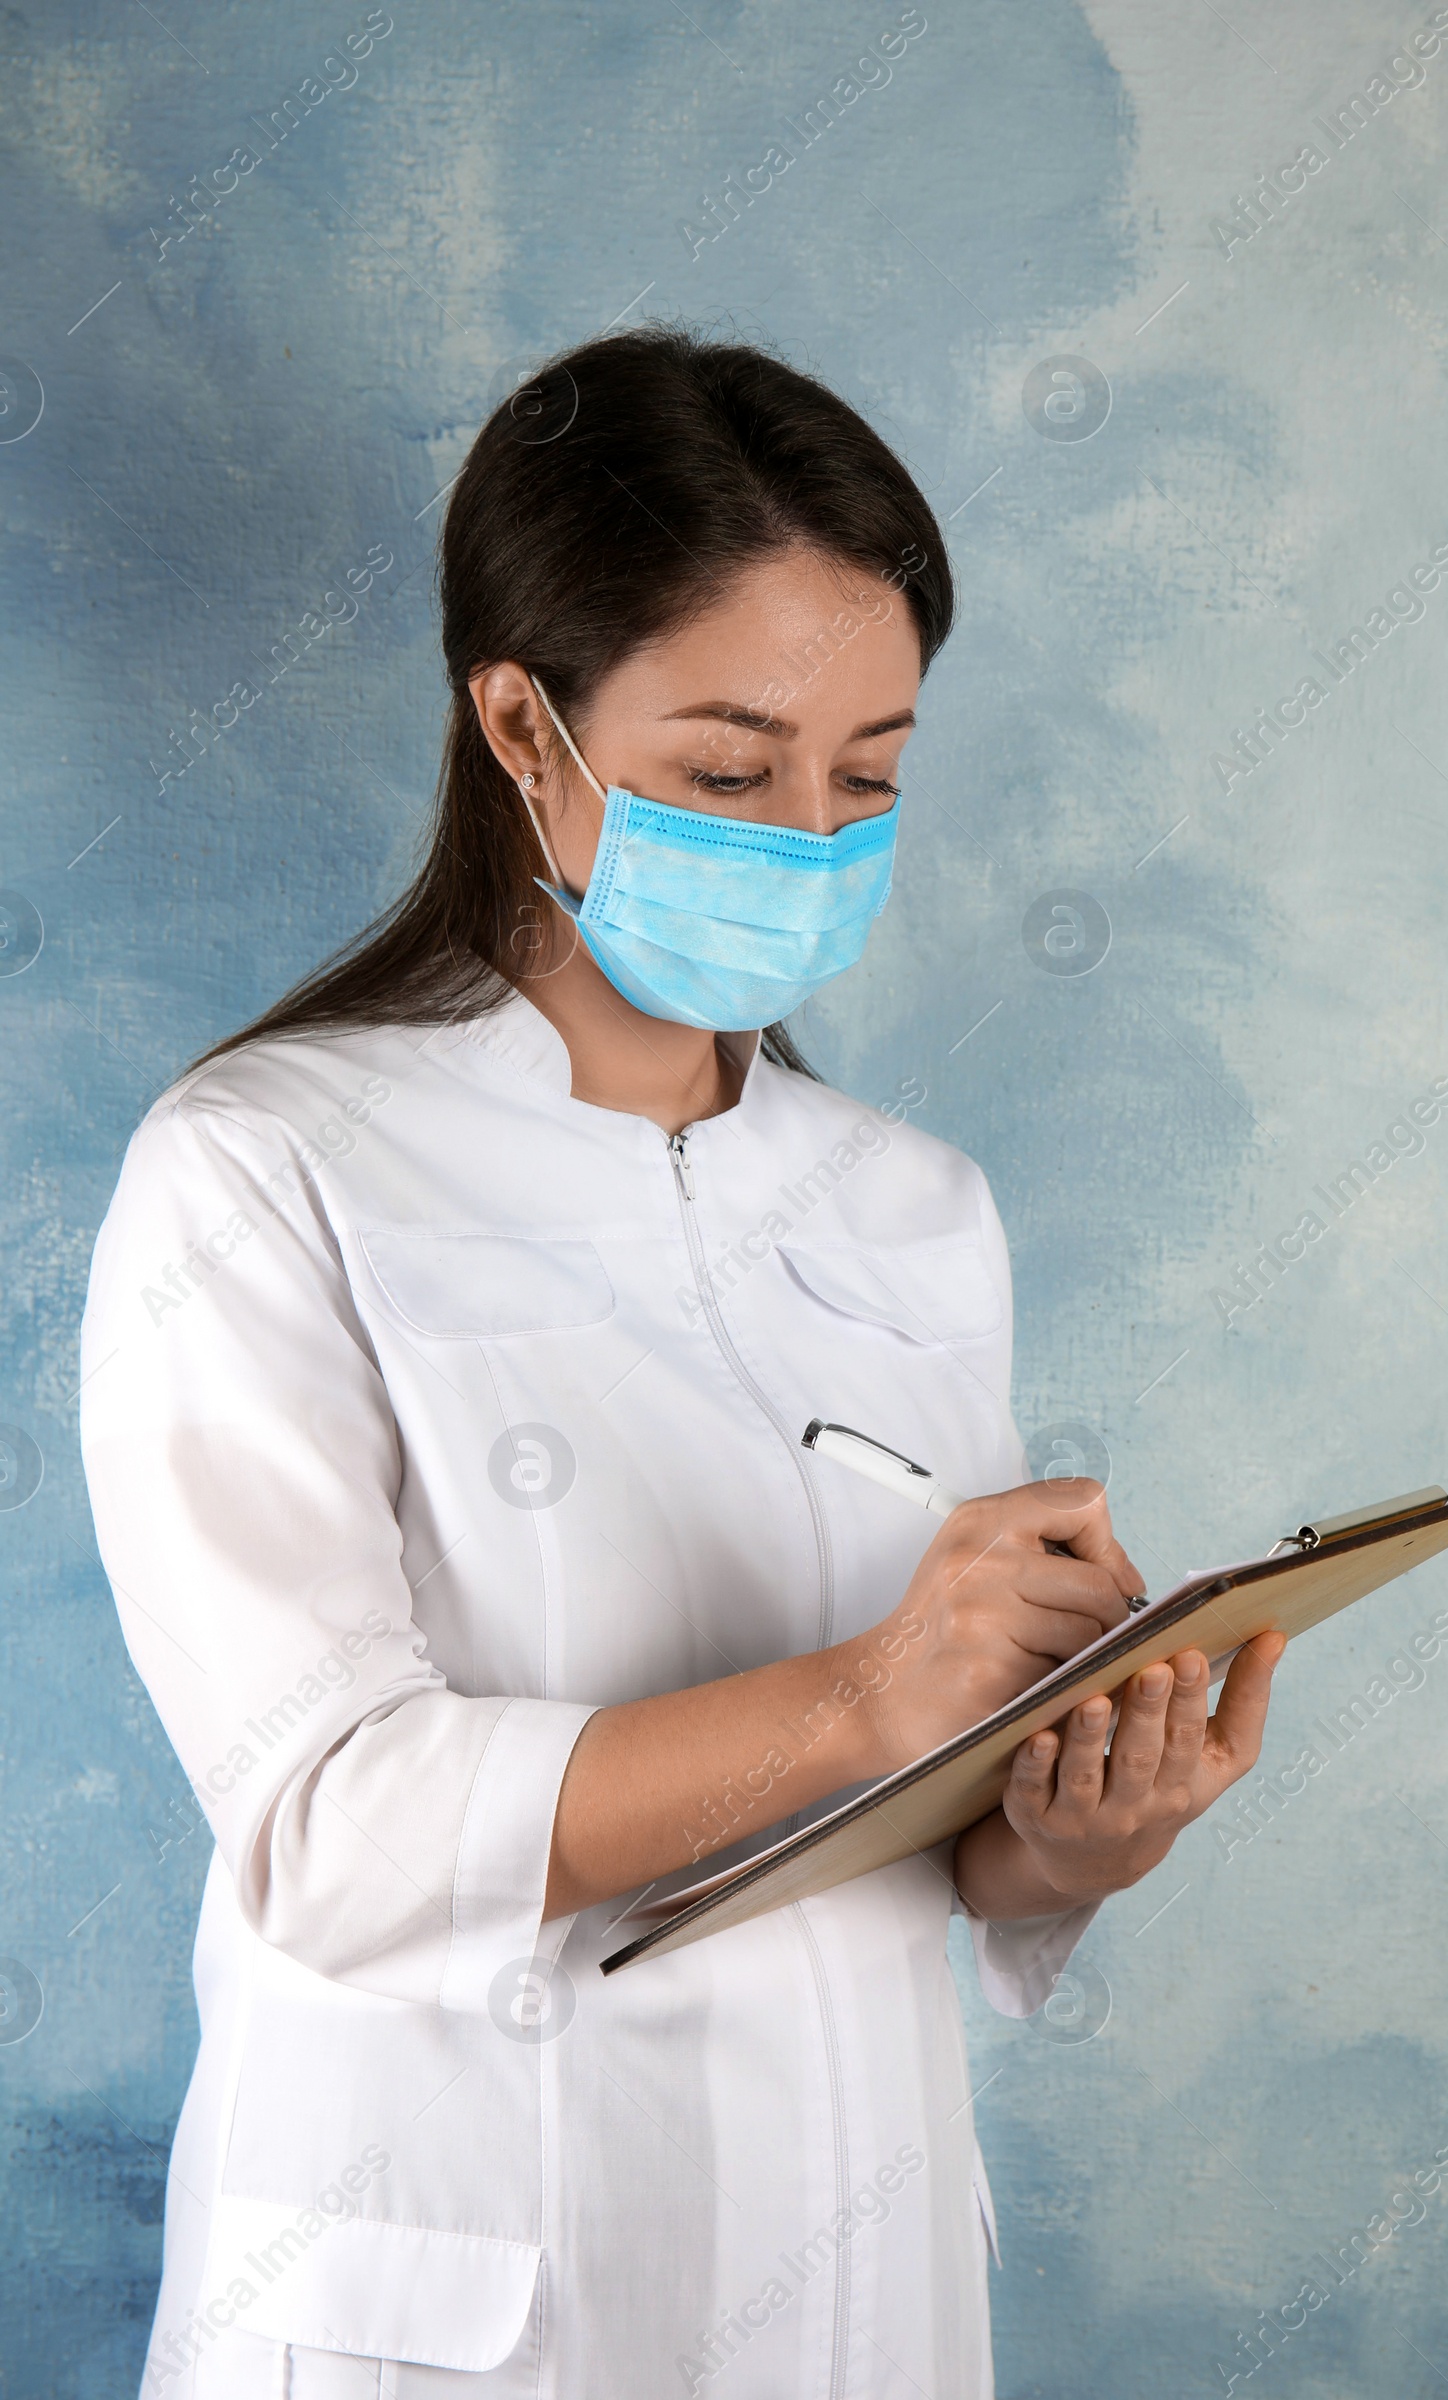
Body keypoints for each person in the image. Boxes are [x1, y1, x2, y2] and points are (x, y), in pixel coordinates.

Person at [80, 327, 1284, 2398]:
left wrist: (1070, 1830)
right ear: (521, 729)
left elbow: (927, 1813)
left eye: (870, 772)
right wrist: (858, 1695)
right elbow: (329, 1826)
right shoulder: (266, 1169)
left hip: (858, 2283)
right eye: (729, 771)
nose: (808, 835)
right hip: (461, 2298)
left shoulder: (913, 1210)